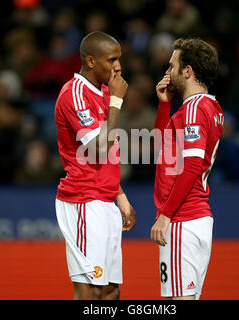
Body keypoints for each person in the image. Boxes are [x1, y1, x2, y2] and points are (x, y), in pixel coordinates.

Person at [54, 31, 136, 300]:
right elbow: (99, 148)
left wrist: (120, 196)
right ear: (91, 61)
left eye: (119, 59)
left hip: (104, 200)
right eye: (112, 60)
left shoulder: (101, 92)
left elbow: (107, 156)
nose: (118, 67)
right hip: (83, 200)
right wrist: (116, 101)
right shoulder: (75, 94)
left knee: (110, 290)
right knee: (89, 290)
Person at [150, 38, 223, 300]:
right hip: (195, 218)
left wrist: (166, 215)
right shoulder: (209, 108)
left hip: (183, 219)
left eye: (172, 66)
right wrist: (164, 104)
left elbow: (191, 165)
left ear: (187, 71)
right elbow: (164, 151)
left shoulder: (193, 109)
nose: (167, 73)